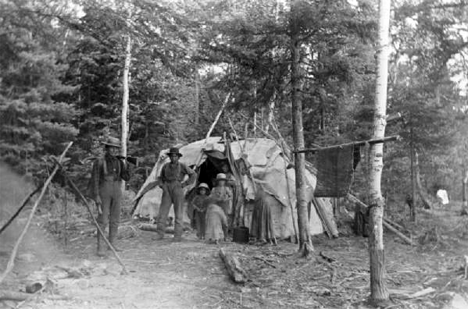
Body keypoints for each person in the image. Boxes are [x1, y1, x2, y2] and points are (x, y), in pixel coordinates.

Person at [89, 136, 130, 257]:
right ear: (107, 148)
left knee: (115, 219)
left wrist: (128, 166)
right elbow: (95, 180)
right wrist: (96, 196)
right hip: (104, 191)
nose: (114, 150)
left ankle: (112, 244)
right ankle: (100, 248)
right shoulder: (99, 162)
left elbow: (126, 178)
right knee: (103, 220)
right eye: (111, 148)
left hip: (116, 191)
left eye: (116, 148)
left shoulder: (119, 162)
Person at [154, 147, 196, 242]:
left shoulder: (182, 166)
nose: (173, 158)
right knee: (162, 212)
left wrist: (185, 184)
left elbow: (193, 174)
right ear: (169, 157)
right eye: (172, 156)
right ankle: (160, 233)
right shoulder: (165, 166)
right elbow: (160, 178)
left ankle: (177, 235)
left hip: (177, 187)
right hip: (167, 188)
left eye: (175, 156)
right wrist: (162, 185)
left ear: (178, 157)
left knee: (178, 213)